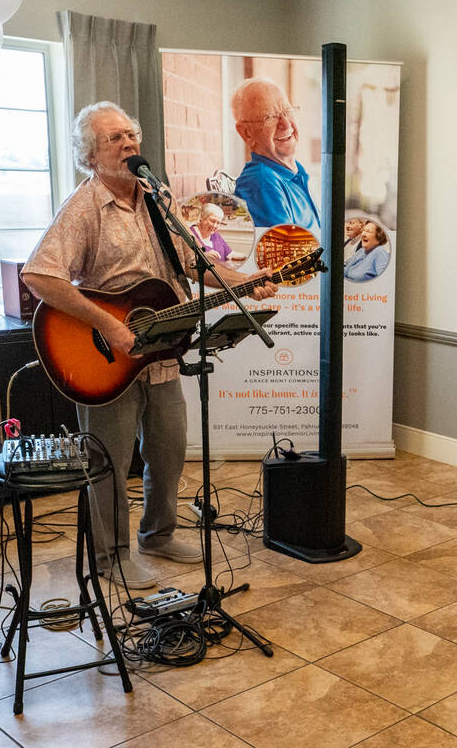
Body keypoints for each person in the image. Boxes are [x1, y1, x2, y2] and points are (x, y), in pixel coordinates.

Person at [22, 102, 278, 590]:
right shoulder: (84, 207)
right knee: (109, 463)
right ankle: (111, 557)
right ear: (90, 156)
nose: (128, 144)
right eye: (114, 139)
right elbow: (39, 275)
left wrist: (245, 282)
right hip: (106, 359)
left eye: (131, 134)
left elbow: (195, 264)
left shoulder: (159, 200)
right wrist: (108, 324)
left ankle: (158, 535)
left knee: (167, 451)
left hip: (161, 354)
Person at [231, 78, 320, 232]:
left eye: (287, 111)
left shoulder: (296, 173)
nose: (286, 124)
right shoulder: (261, 183)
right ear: (246, 133)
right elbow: (289, 247)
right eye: (270, 117)